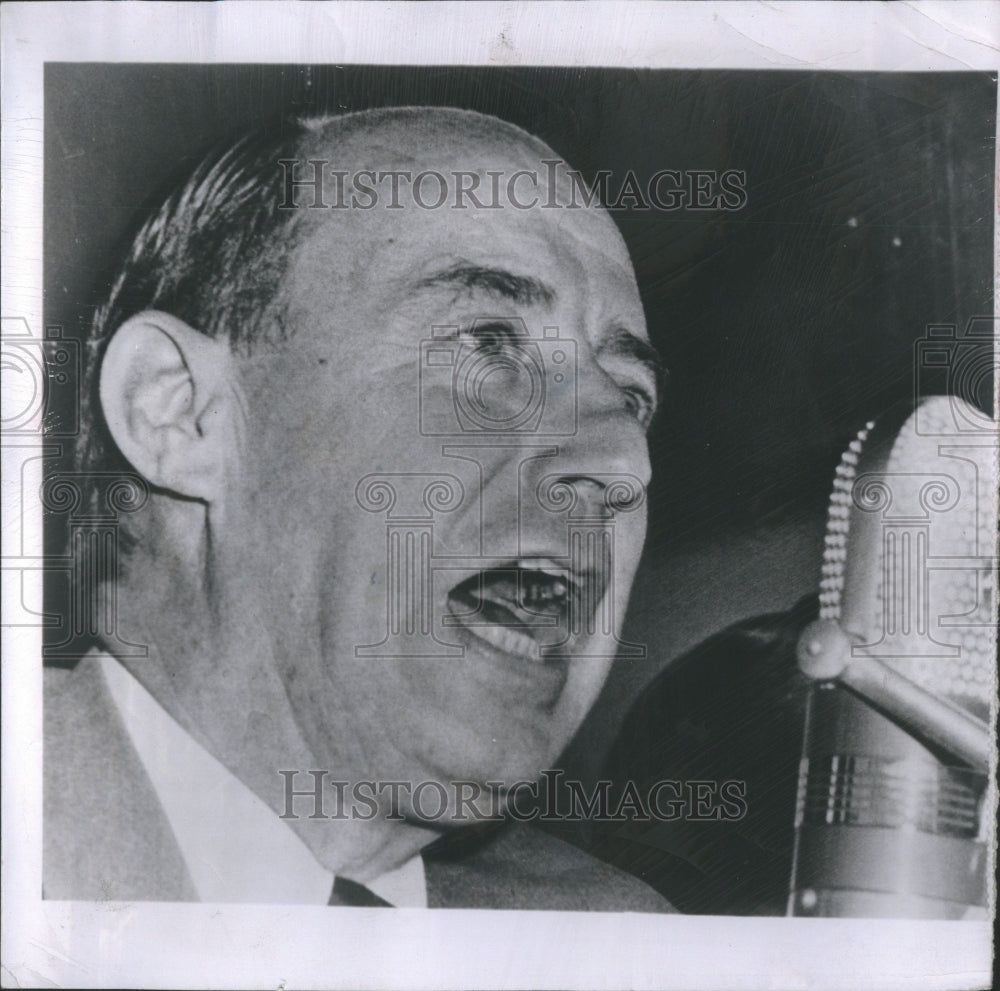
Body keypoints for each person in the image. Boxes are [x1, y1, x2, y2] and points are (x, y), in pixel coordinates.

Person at [44, 106, 673, 910]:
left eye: (631, 395)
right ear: (179, 413)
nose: (625, 460)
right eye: (488, 341)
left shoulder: (621, 937)